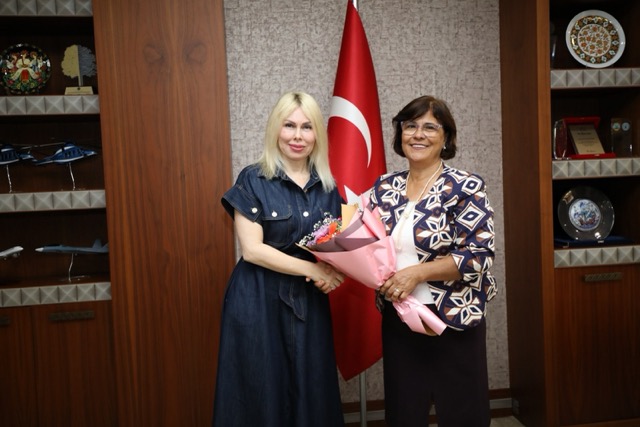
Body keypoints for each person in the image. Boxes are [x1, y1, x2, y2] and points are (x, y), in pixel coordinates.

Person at [212, 91, 346, 427]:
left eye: (306, 127)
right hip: (257, 298)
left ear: (317, 134)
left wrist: (333, 273)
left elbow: (335, 247)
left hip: (308, 301)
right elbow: (253, 250)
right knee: (260, 389)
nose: (297, 136)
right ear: (276, 129)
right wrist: (314, 269)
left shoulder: (328, 187)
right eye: (289, 125)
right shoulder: (253, 178)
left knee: (310, 387)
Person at [369, 95, 497, 427]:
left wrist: (417, 273)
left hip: (453, 318)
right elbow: (365, 245)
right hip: (400, 318)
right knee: (404, 413)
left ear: (446, 137)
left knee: (462, 414)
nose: (418, 134)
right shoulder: (384, 188)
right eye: (410, 126)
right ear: (400, 134)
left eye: (430, 127)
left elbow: (478, 255)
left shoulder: (465, 186)